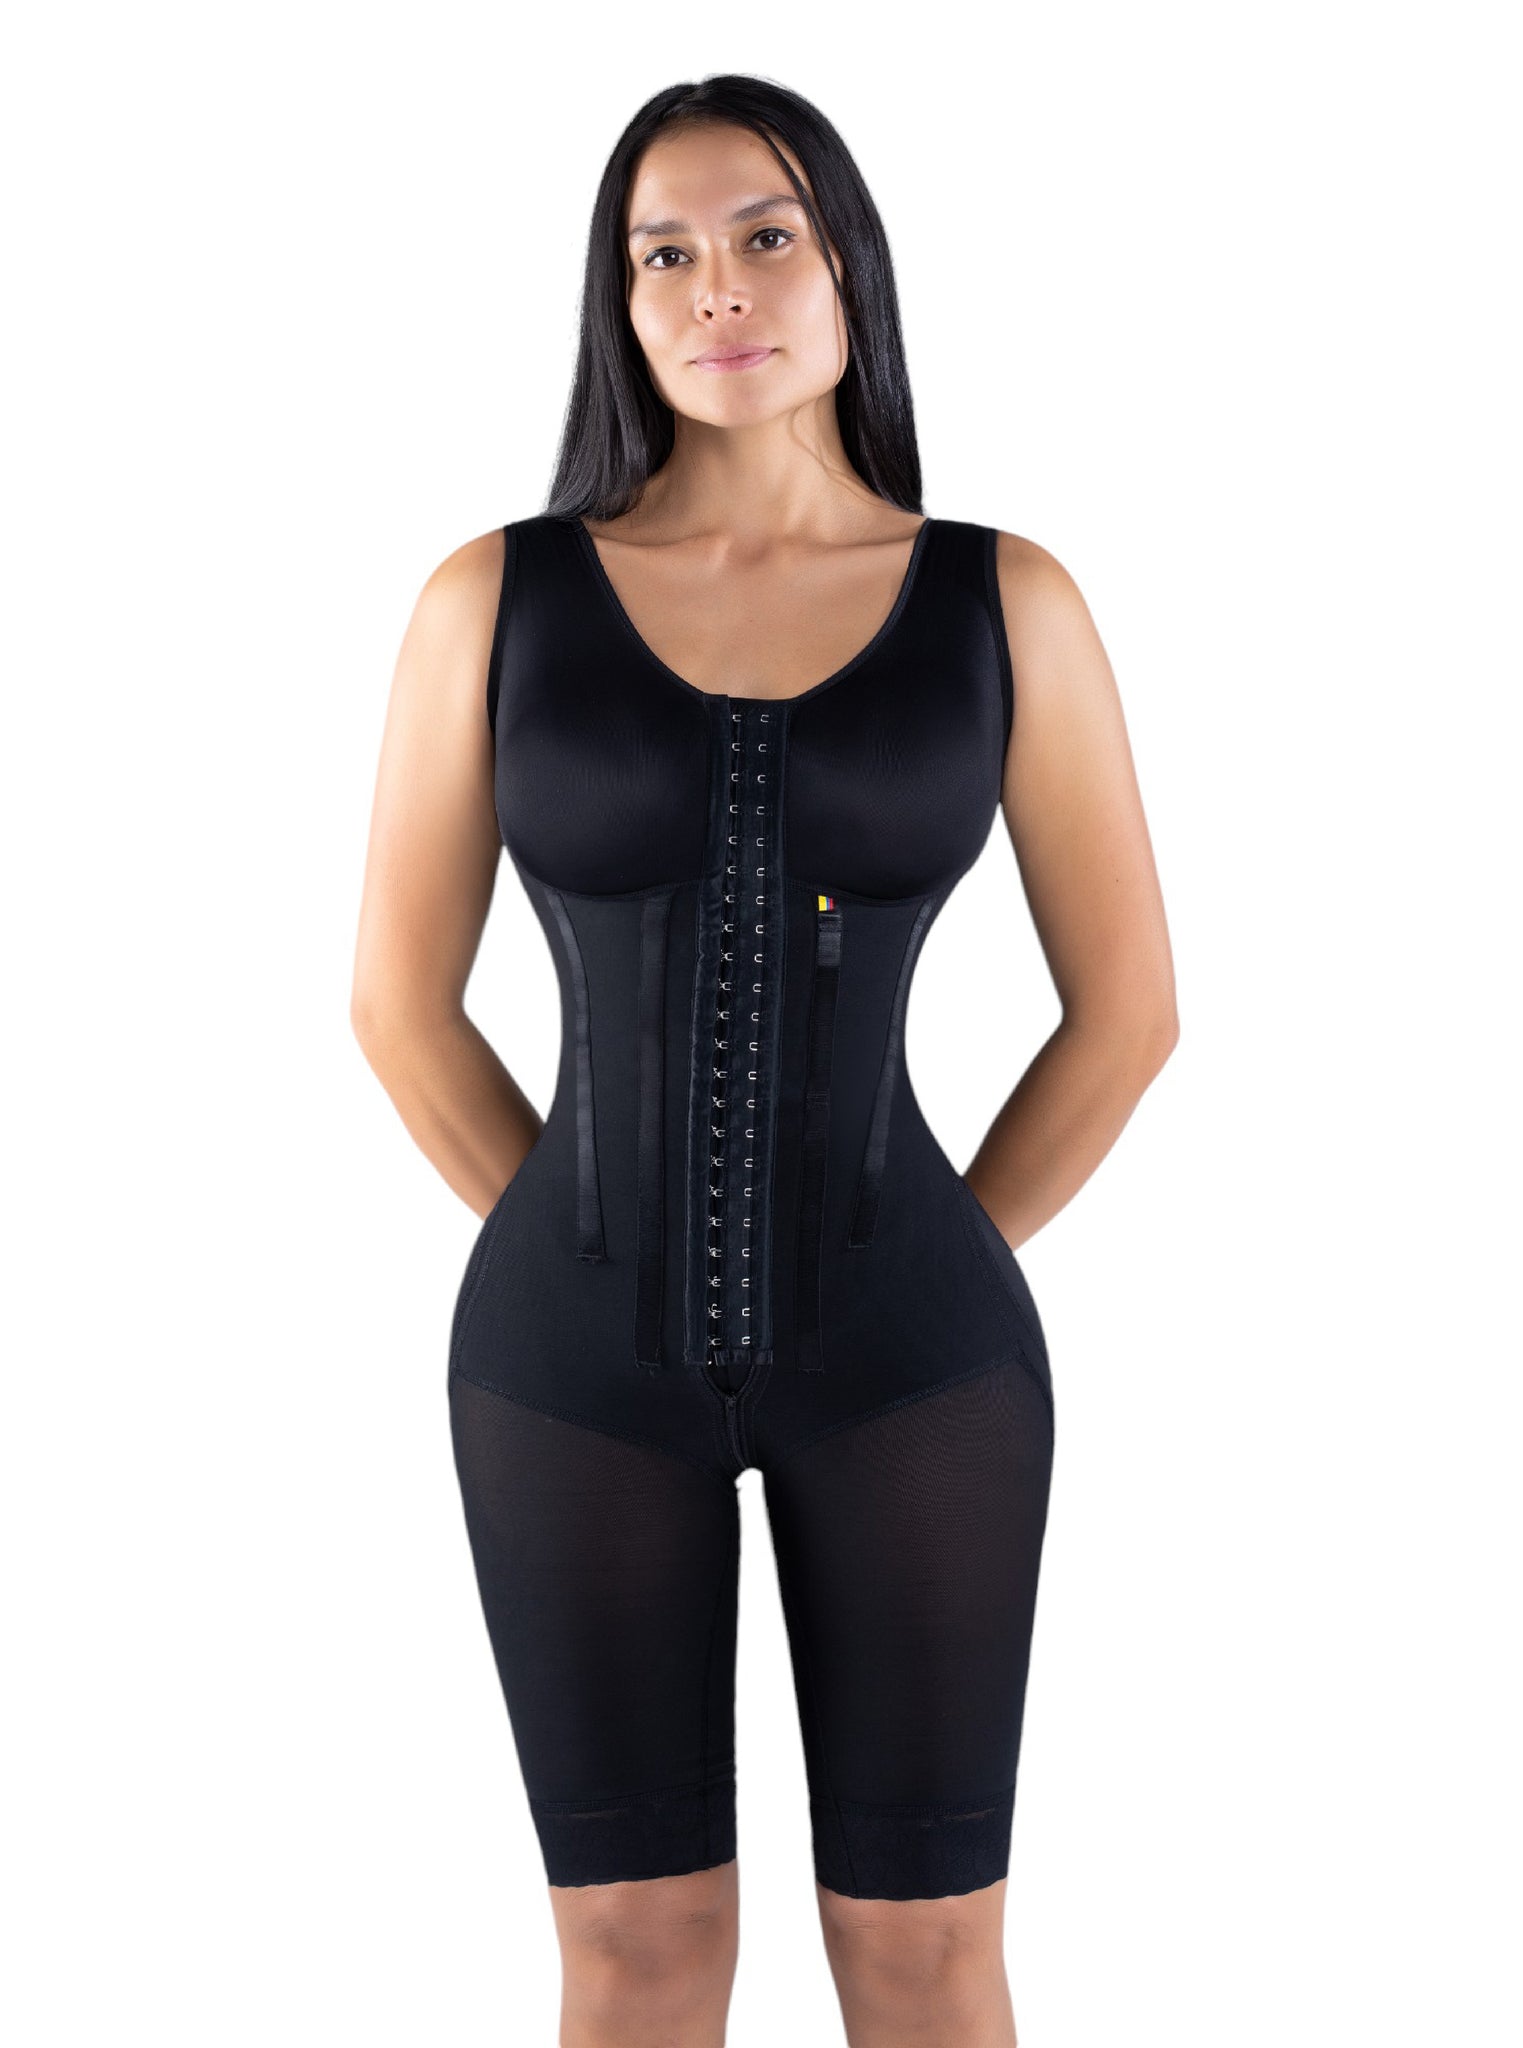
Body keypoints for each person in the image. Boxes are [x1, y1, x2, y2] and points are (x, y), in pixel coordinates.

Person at [352, 72, 1177, 2048]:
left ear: (848, 269)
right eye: (663, 253)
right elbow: (397, 1005)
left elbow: (1130, 1009)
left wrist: (914, 1255)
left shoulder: (1007, 601)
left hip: (917, 1371)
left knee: (925, 1953)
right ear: (620, 302)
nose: (715, 285)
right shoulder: (491, 600)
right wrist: (585, 1230)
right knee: (634, 1954)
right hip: (568, 1373)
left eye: (764, 235)